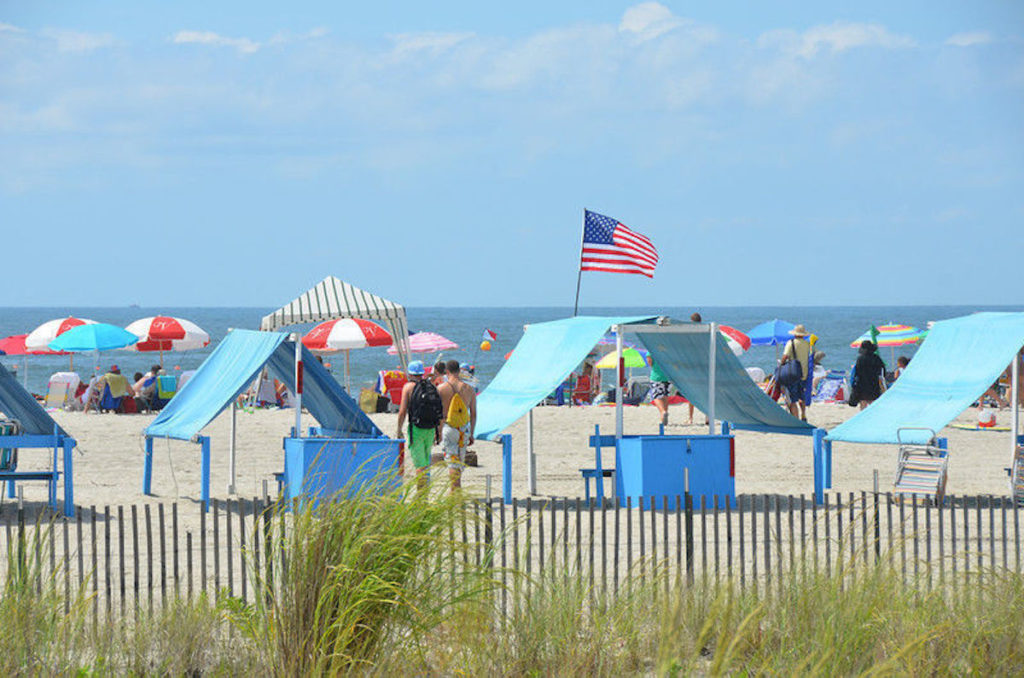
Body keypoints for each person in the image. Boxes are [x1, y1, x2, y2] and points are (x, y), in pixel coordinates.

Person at [395, 360, 442, 487]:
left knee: (420, 465)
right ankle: (425, 495)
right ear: (422, 373)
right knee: (426, 462)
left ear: (410, 374)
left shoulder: (408, 387)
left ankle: (421, 498)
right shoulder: (432, 386)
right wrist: (439, 432)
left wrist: (399, 430)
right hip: (431, 429)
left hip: (416, 429)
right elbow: (438, 410)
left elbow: (402, 411)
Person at [437, 358, 477, 491]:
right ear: (459, 371)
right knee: (459, 461)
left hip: (449, 428)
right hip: (463, 429)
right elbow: (473, 414)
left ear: (446, 371)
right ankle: (457, 489)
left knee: (452, 461)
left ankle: (455, 491)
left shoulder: (441, 388)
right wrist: (471, 433)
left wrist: (438, 432)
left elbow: (440, 414)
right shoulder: (469, 389)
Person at [780, 324, 812, 420]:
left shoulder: (791, 343)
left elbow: (785, 356)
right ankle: (803, 415)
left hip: (793, 374)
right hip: (804, 374)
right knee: (801, 396)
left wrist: (781, 364)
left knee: (792, 398)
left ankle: (795, 418)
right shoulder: (807, 344)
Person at [849, 340, 886, 410]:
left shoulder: (860, 359)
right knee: (873, 403)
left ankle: (863, 419)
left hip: (862, 384)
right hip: (874, 384)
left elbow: (857, 372)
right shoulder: (876, 358)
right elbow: (883, 371)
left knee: (863, 403)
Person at [648, 357, 671, 426]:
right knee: (665, 396)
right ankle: (663, 418)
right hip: (667, 376)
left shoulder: (650, 350)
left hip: (656, 376)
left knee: (656, 396)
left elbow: (650, 362)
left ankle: (663, 412)